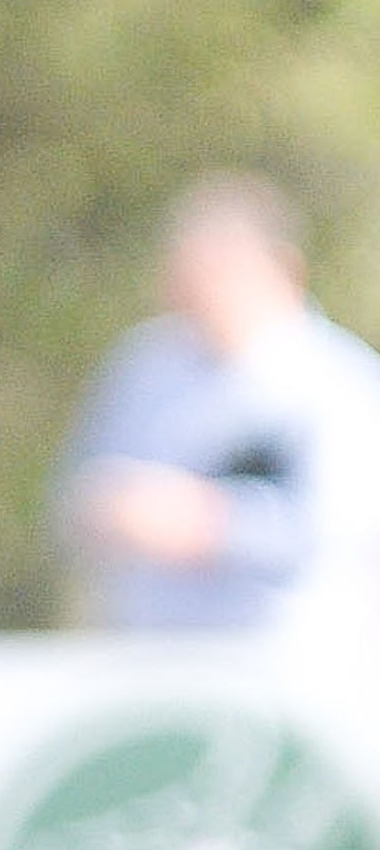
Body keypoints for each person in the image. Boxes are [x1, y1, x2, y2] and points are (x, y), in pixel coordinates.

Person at [56, 171, 380, 634]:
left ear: (283, 269)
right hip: (150, 660)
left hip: (290, 668)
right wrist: (110, 510)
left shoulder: (340, 382)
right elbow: (73, 494)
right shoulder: (143, 367)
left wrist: (215, 525)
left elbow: (340, 534)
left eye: (221, 269)